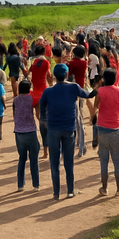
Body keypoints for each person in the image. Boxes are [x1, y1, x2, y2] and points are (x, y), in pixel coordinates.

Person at [39, 64, 95, 199]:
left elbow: (41, 104)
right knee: (69, 162)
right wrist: (98, 87)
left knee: (54, 162)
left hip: (53, 129)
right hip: (69, 129)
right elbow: (88, 95)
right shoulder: (73, 87)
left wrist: (43, 118)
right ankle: (70, 190)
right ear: (66, 74)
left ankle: (56, 193)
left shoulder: (48, 91)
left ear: (54, 76)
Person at [93, 68, 119, 196]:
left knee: (104, 161)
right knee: (117, 161)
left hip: (102, 128)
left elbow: (96, 107)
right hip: (116, 128)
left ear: (104, 79)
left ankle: (104, 188)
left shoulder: (100, 91)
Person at [13, 79, 40, 192]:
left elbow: (14, 114)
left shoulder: (15, 100)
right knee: (34, 160)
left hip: (19, 132)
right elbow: (38, 106)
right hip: (30, 131)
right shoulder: (31, 99)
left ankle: (20, 184)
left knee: (22, 159)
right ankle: (35, 185)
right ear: (29, 89)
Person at [29, 46, 52, 158]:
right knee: (47, 117)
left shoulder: (34, 62)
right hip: (44, 91)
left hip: (35, 92)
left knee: (39, 117)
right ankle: (48, 150)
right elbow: (49, 76)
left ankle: (45, 152)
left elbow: (29, 72)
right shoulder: (46, 63)